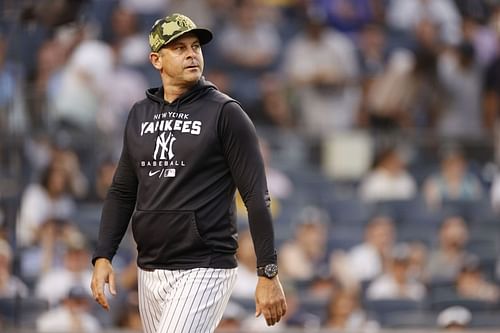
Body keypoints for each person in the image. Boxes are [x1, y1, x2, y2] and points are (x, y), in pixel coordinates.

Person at [90, 13, 287, 333]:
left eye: (195, 46)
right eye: (179, 48)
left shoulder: (225, 112)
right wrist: (103, 255)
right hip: (150, 268)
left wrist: (267, 272)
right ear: (156, 59)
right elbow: (122, 191)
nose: (191, 53)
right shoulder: (139, 114)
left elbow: (255, 195)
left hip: (205, 266)